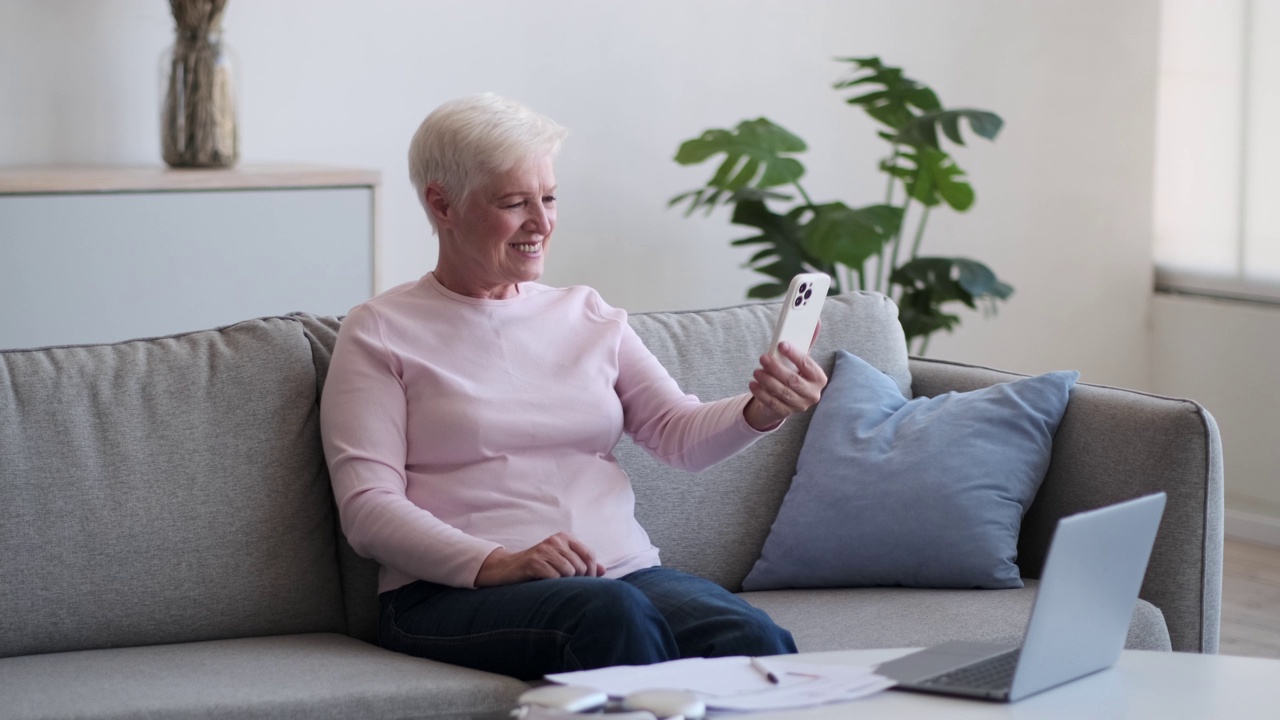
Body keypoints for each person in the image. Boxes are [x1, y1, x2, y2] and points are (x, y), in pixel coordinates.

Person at [319, 93, 829, 681]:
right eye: (514, 203)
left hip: (621, 575)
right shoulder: (382, 330)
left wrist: (761, 410)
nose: (541, 222)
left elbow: (676, 434)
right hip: (447, 593)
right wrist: (498, 562)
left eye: (549, 198)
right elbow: (368, 509)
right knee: (608, 614)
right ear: (443, 203)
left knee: (751, 635)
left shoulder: (588, 316)